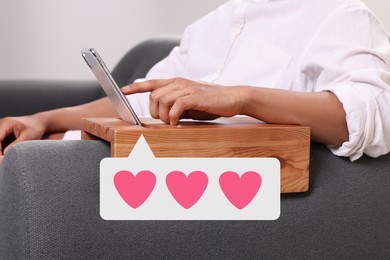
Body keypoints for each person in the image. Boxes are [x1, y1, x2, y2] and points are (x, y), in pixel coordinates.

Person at [1, 0, 390, 163]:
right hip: (129, 165)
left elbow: (374, 115)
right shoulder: (216, 22)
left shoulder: (338, 13)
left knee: (23, 160)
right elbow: (138, 98)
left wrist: (241, 98)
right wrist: (44, 120)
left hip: (215, 189)